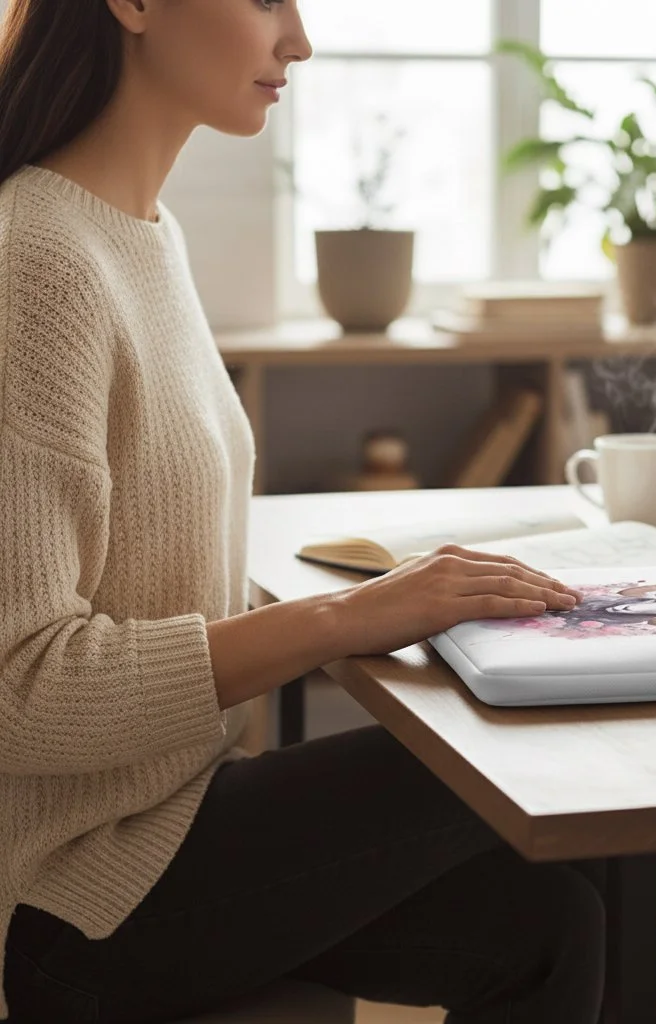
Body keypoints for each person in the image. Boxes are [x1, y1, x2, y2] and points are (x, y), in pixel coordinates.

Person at [0, 2, 605, 1021]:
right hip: (72, 891)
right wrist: (340, 621)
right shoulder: (37, 263)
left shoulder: (144, 234)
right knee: (519, 757)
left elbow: (142, 569)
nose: (299, 40)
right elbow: (19, 688)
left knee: (557, 921)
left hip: (176, 817)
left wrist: (401, 597)